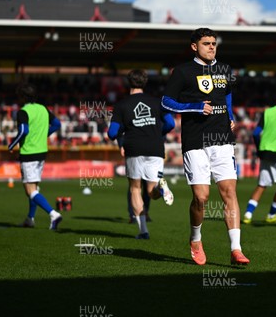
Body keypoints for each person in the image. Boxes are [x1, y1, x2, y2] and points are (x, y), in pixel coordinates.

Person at [161, 27, 250, 266]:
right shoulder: (182, 71)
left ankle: (236, 249)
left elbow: (227, 94)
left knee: (229, 192)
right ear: (194, 46)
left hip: (222, 138)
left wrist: (230, 115)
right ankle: (195, 238)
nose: (212, 47)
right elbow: (166, 102)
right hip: (195, 139)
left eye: (214, 43)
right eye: (206, 43)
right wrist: (195, 107)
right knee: (201, 197)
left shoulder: (225, 70)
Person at [107, 69, 175, 239]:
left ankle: (143, 231)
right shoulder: (157, 102)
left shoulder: (122, 105)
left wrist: (123, 130)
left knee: (135, 189)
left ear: (128, 83)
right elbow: (171, 123)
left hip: (134, 148)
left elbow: (112, 132)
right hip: (155, 148)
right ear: (145, 83)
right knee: (152, 191)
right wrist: (158, 133)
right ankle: (162, 189)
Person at [9, 83, 62, 229]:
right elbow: (57, 124)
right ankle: (30, 219)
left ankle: (53, 214)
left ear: (22, 97)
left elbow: (23, 131)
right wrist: (43, 135)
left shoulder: (23, 112)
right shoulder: (43, 108)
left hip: (29, 153)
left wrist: (11, 145)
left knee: (30, 190)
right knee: (35, 188)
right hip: (42, 152)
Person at [243, 91, 276, 224]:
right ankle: (271, 215)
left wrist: (259, 148)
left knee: (262, 185)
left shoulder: (267, 112)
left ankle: (248, 215)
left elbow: (256, 133)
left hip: (264, 152)